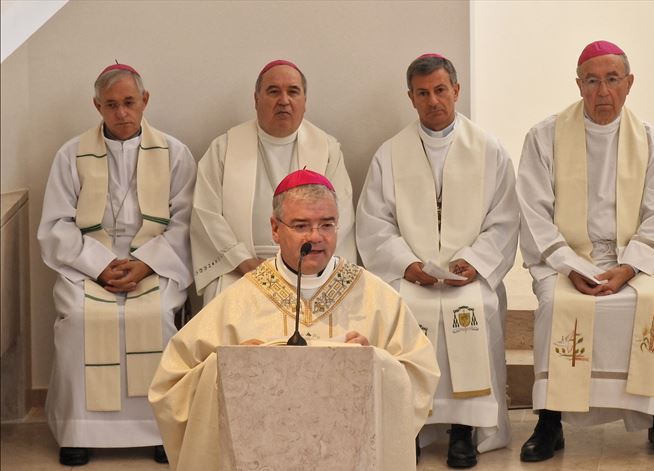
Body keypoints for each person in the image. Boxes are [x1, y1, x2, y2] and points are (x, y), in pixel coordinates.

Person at [150, 169, 439, 470]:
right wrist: (229, 368)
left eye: (327, 225)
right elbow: (172, 384)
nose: (315, 237)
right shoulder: (239, 300)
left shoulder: (377, 297)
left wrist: (375, 363)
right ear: (275, 229)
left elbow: (420, 373)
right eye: (301, 225)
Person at [516, 40, 654, 464]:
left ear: (629, 83)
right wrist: (571, 265)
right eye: (592, 81)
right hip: (567, 258)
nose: (602, 91)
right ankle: (550, 420)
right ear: (578, 85)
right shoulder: (545, 136)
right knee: (556, 304)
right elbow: (533, 211)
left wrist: (628, 268)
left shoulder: (649, 139)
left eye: (612, 80)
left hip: (631, 260)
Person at [356, 53, 519, 469]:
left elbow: (504, 218)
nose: (433, 101)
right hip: (414, 274)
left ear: (456, 91)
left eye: (441, 90)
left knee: (478, 306)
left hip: (467, 276)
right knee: (402, 308)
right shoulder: (389, 154)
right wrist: (407, 265)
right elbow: (374, 222)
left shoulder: (489, 149)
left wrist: (475, 262)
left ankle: (463, 430)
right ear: (410, 98)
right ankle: (407, 426)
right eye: (423, 93)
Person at [37, 63, 195, 466]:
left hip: (155, 262)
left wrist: (144, 264)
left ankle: (159, 429)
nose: (121, 113)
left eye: (129, 102)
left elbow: (185, 224)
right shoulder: (70, 154)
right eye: (111, 105)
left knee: (158, 314)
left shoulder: (175, 153)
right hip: (90, 261)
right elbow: (56, 224)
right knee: (77, 317)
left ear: (145, 101)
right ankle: (78, 431)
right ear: (97, 106)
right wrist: (101, 265)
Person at [190, 59, 355, 305]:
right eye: (273, 91)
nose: (284, 100)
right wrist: (243, 261)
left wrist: (305, 264)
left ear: (305, 102)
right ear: (256, 100)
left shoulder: (327, 149)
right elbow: (206, 213)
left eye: (293, 91)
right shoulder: (224, 148)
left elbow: (339, 214)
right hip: (243, 269)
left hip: (309, 269)